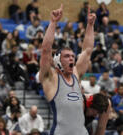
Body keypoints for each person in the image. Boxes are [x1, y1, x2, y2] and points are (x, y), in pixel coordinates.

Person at [39, 4, 109, 135]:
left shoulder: (76, 74)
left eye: (72, 56)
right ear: (57, 60)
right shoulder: (50, 78)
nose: (72, 59)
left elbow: (87, 51)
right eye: (67, 56)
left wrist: (89, 26)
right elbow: (45, 50)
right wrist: (53, 23)